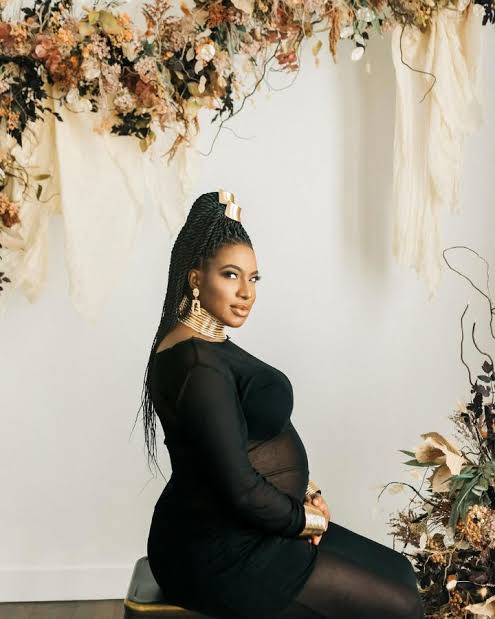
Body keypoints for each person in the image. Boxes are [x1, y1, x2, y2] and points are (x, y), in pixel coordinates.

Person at [141, 190, 425, 619]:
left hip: (256, 524)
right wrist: (307, 520)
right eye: (231, 275)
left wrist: (308, 492)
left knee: (400, 573)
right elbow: (239, 488)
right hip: (221, 552)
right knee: (400, 605)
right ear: (196, 278)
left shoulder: (207, 342)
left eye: (253, 279)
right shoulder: (197, 364)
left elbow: (250, 437)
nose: (246, 293)